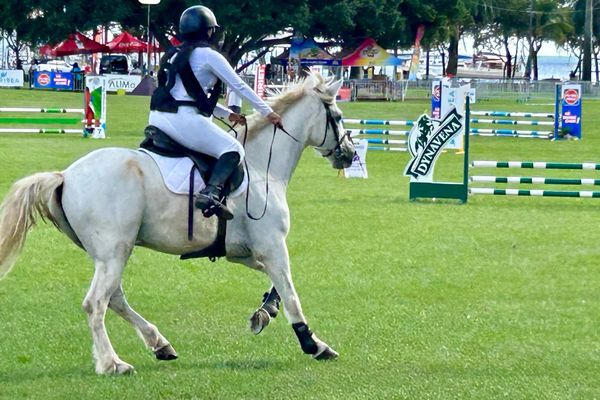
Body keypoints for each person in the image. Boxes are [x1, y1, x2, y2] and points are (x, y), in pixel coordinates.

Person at [149, 5, 282, 220]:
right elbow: (238, 86)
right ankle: (211, 192)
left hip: (158, 118)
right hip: (185, 121)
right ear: (208, 31)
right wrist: (268, 113)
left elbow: (186, 94)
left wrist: (224, 113)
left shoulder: (172, 54)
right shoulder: (209, 55)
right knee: (234, 149)